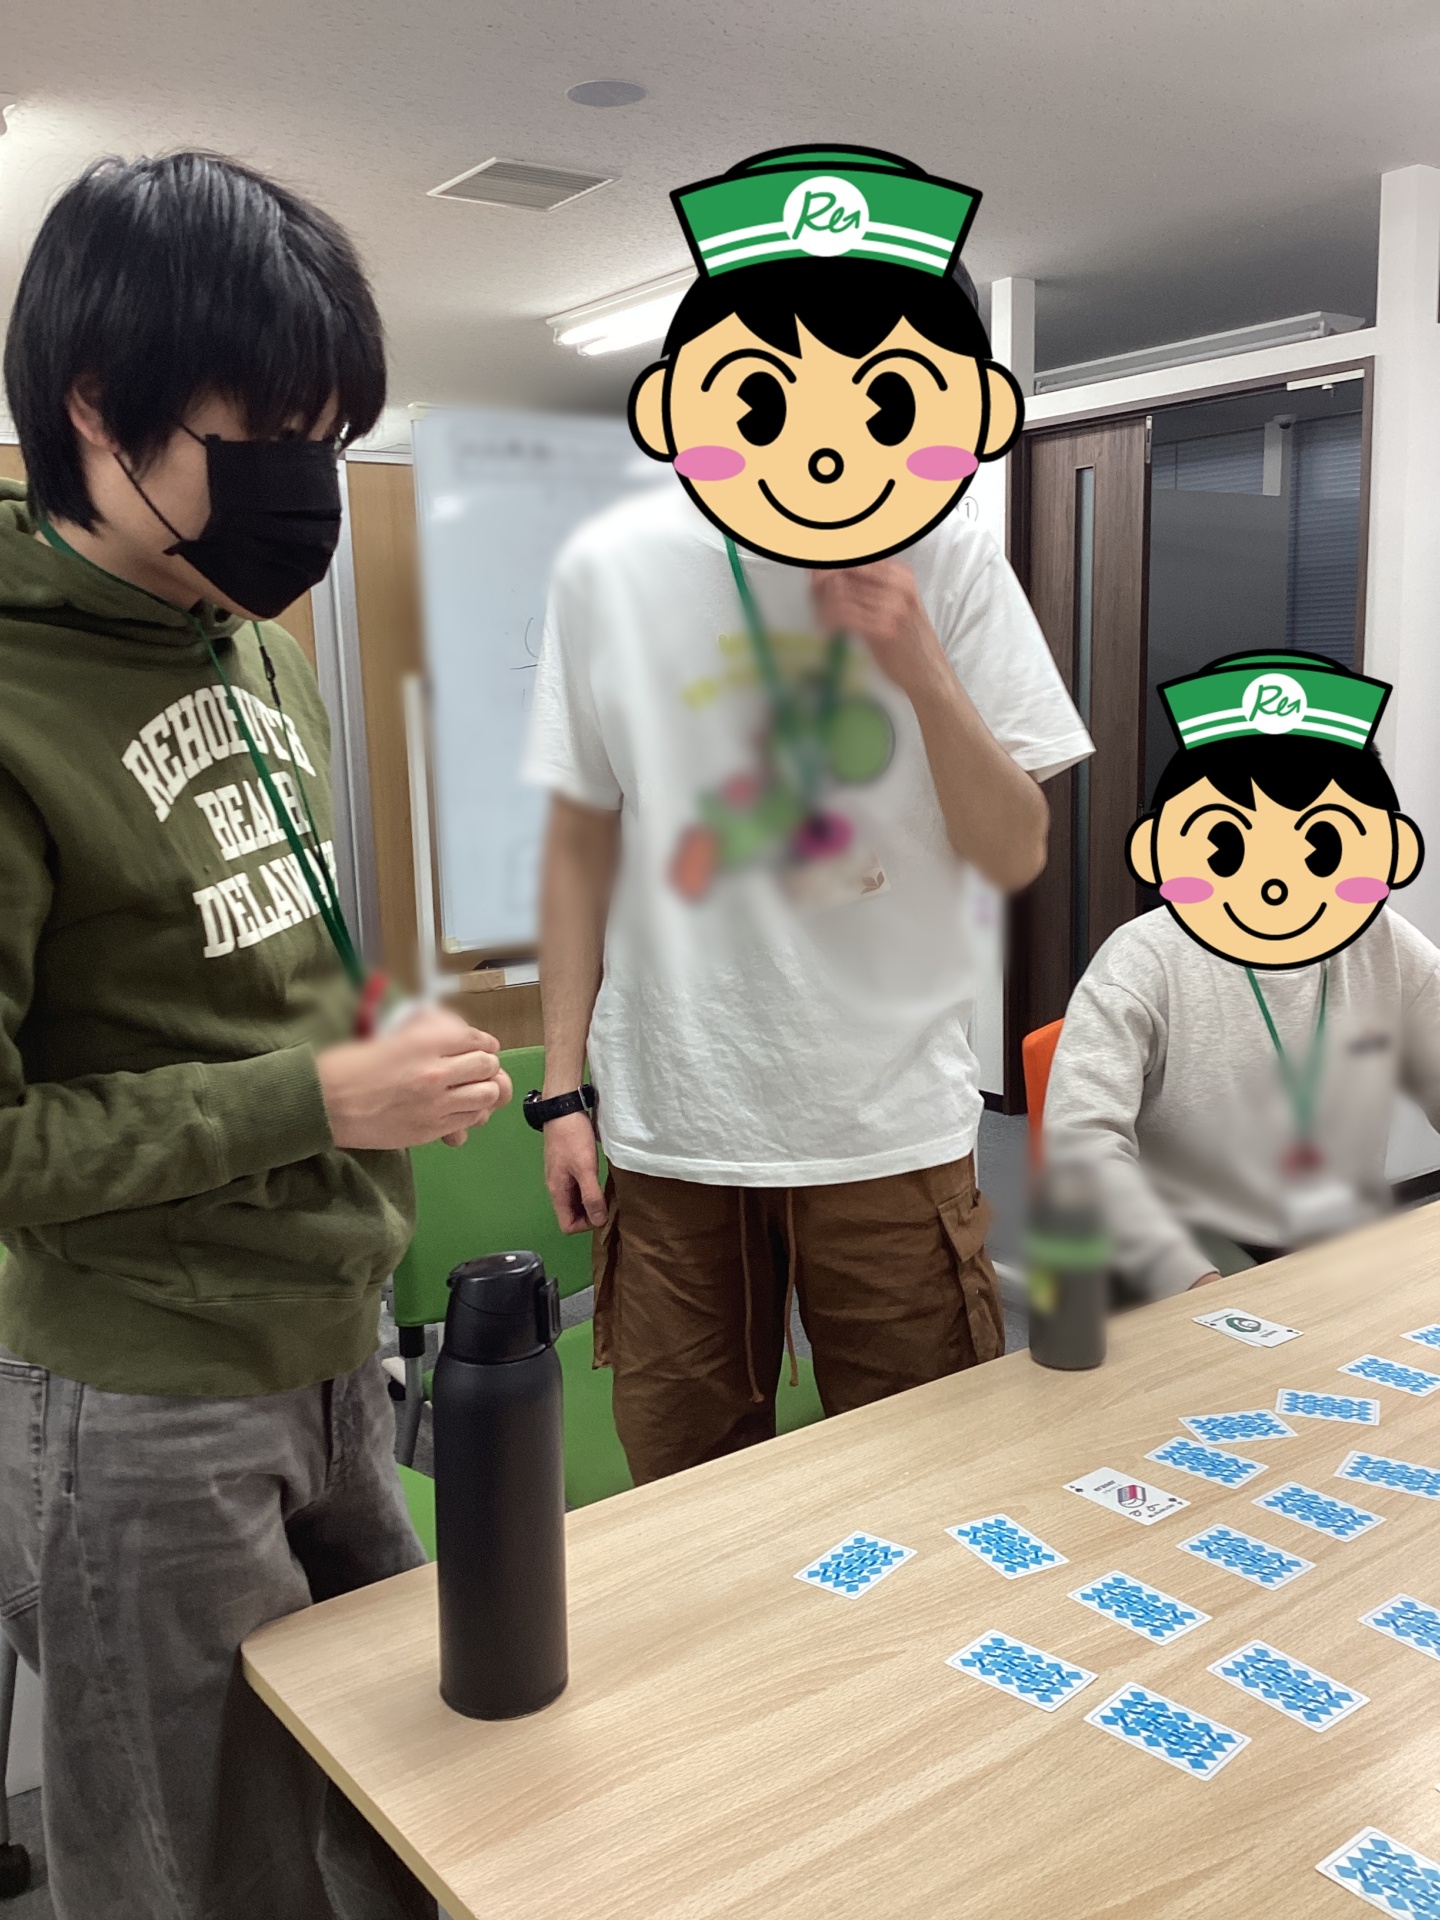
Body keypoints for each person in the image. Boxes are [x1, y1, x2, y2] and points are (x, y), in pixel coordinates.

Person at [0, 153, 510, 1920]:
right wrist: (318, 1094)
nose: (306, 489)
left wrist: (375, 1053)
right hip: (143, 1396)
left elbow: (250, 957)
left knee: (408, 1823)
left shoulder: (259, 645)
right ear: (97, 406)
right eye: (265, 437)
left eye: (330, 438)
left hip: (339, 1347)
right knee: (202, 1873)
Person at [524, 145, 1093, 1485]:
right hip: (674, 1119)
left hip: (887, 1125)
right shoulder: (612, 567)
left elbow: (1016, 848)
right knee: (689, 1492)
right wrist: (560, 1090)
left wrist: (918, 663)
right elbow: (579, 842)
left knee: (928, 1481)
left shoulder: (952, 551)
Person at [1044, 650, 1440, 1297]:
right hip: (1187, 1243)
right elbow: (1080, 1143)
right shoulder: (1143, 958)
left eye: (1321, 846)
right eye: (1230, 845)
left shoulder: (1385, 943)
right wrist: (1189, 1277)